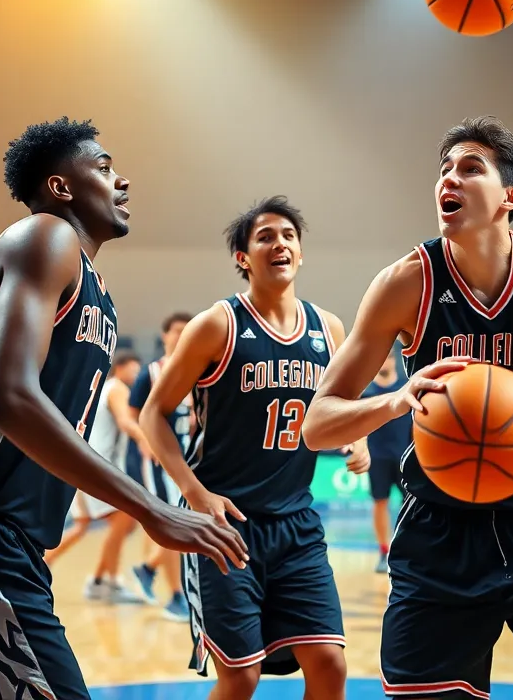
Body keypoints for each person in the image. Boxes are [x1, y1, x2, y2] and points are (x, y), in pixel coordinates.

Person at [0, 117, 247, 699]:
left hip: (1, 549)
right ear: (61, 187)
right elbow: (8, 397)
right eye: (104, 169)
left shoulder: (95, 288)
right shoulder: (46, 237)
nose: (122, 181)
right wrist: (152, 509)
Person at [302, 116, 513, 700]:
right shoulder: (405, 283)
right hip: (440, 533)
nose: (450, 179)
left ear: (510, 197)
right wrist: (395, 400)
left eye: (471, 168)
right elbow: (318, 424)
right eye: (445, 169)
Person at [137, 196, 367, 700]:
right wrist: (194, 494)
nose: (279, 243)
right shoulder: (216, 325)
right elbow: (153, 413)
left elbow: (343, 401)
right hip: (224, 526)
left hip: (296, 524)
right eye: (265, 237)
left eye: (288, 236)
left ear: (301, 252)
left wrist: (358, 437)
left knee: (329, 664)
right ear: (243, 258)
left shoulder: (328, 328)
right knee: (241, 676)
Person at [45, 348, 148, 608]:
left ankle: (44, 566)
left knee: (83, 525)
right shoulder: (118, 389)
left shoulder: (102, 388)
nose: (137, 374)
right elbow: (125, 422)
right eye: (133, 368)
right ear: (120, 367)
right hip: (98, 467)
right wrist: (146, 439)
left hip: (84, 462)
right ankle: (107, 582)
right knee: (125, 517)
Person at [128, 311, 196, 622]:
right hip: (160, 460)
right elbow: (132, 415)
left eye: (187, 330)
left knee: (186, 523)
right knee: (174, 522)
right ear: (165, 335)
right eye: (177, 330)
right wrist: (144, 438)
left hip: (189, 459)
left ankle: (148, 568)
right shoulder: (151, 373)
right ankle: (176, 595)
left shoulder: (198, 370)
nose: (181, 335)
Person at [361, 348, 412, 573]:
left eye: (388, 358)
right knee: (380, 502)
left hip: (405, 458)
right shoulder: (367, 393)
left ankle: (408, 550)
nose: (384, 363)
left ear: (393, 360)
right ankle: (384, 551)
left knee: (412, 504)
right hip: (377, 458)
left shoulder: (405, 389)